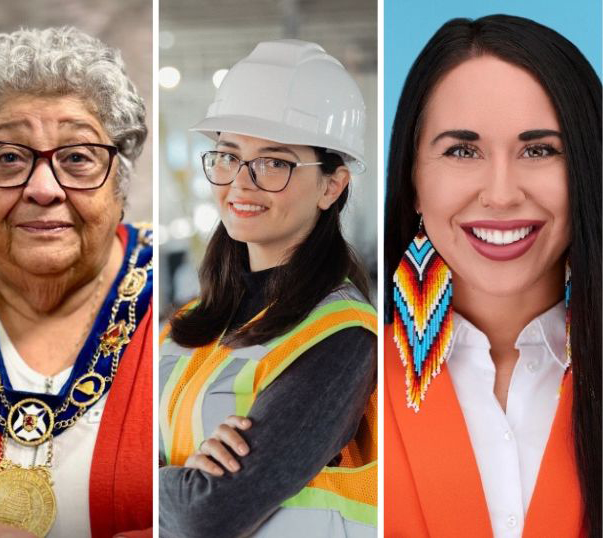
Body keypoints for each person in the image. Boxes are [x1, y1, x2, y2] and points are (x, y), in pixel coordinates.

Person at [384, 14, 601, 536]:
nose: (501, 194)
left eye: (540, 150)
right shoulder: (351, 371)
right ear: (413, 179)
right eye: (462, 150)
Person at [0, 27, 153, 538]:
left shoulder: (191, 312)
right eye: (9, 157)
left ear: (119, 181)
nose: (43, 188)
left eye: (77, 157)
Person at [159, 40, 377, 537]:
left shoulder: (340, 336)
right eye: (228, 156)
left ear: (332, 185)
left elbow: (207, 515)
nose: (241, 183)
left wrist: (162, 489)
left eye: (274, 162)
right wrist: (179, 480)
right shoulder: (186, 327)